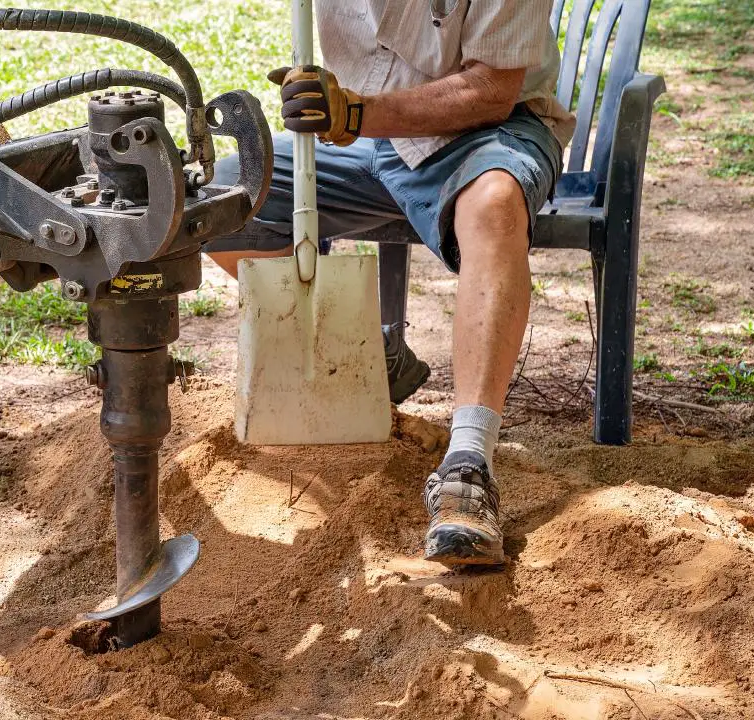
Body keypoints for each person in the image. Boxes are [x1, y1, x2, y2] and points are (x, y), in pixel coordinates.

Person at [206, 0, 574, 566]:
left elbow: (490, 91)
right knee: (224, 197)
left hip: (488, 134)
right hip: (364, 139)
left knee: (495, 207)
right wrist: (351, 117)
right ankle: (365, 360)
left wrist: (356, 114)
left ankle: (468, 465)